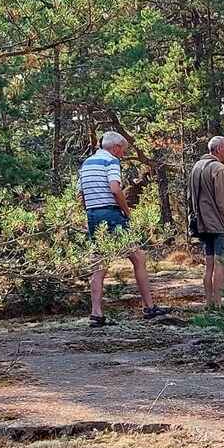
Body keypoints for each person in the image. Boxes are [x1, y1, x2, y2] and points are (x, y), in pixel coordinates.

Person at [78, 131, 167, 327]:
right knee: (138, 257)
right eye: (123, 150)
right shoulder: (111, 161)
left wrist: (91, 211)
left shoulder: (86, 164)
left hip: (93, 214)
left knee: (99, 264)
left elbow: (81, 194)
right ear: (116, 147)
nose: (123, 154)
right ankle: (149, 307)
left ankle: (96, 313)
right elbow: (115, 189)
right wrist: (126, 212)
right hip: (111, 214)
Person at [189, 135, 224, 308]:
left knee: (208, 265)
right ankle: (218, 305)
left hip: (202, 224)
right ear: (219, 149)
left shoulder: (196, 167)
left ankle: (208, 303)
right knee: (220, 264)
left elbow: (191, 198)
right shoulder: (219, 169)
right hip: (219, 225)